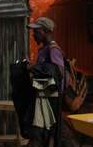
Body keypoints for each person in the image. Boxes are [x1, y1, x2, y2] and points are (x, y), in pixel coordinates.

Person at [27, 17, 73, 147]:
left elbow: (57, 73)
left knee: (48, 135)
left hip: (51, 100)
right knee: (48, 135)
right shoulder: (45, 49)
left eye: (36, 31)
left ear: (45, 31)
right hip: (44, 98)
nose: (33, 34)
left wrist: (34, 68)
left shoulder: (53, 50)